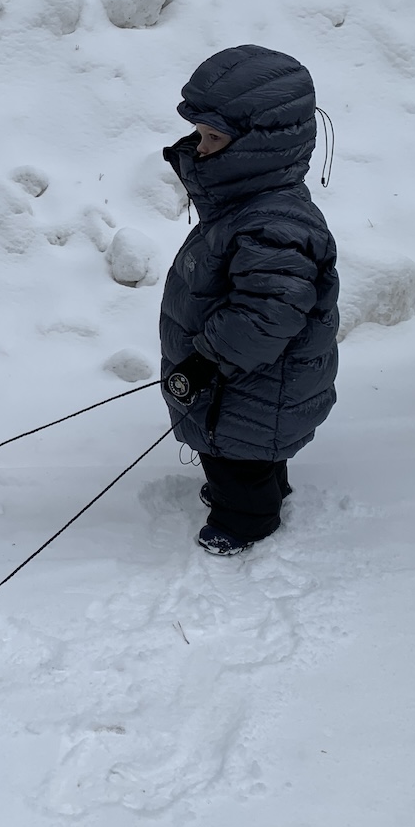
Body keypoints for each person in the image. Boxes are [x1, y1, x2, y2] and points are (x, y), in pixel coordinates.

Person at [159, 45, 339, 556]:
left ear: (262, 146)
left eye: (213, 138)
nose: (199, 148)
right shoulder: (250, 206)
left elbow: (268, 312)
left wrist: (208, 361)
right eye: (199, 135)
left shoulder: (275, 222)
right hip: (248, 380)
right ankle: (262, 486)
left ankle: (246, 521)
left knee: (238, 451)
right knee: (250, 448)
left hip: (247, 380)